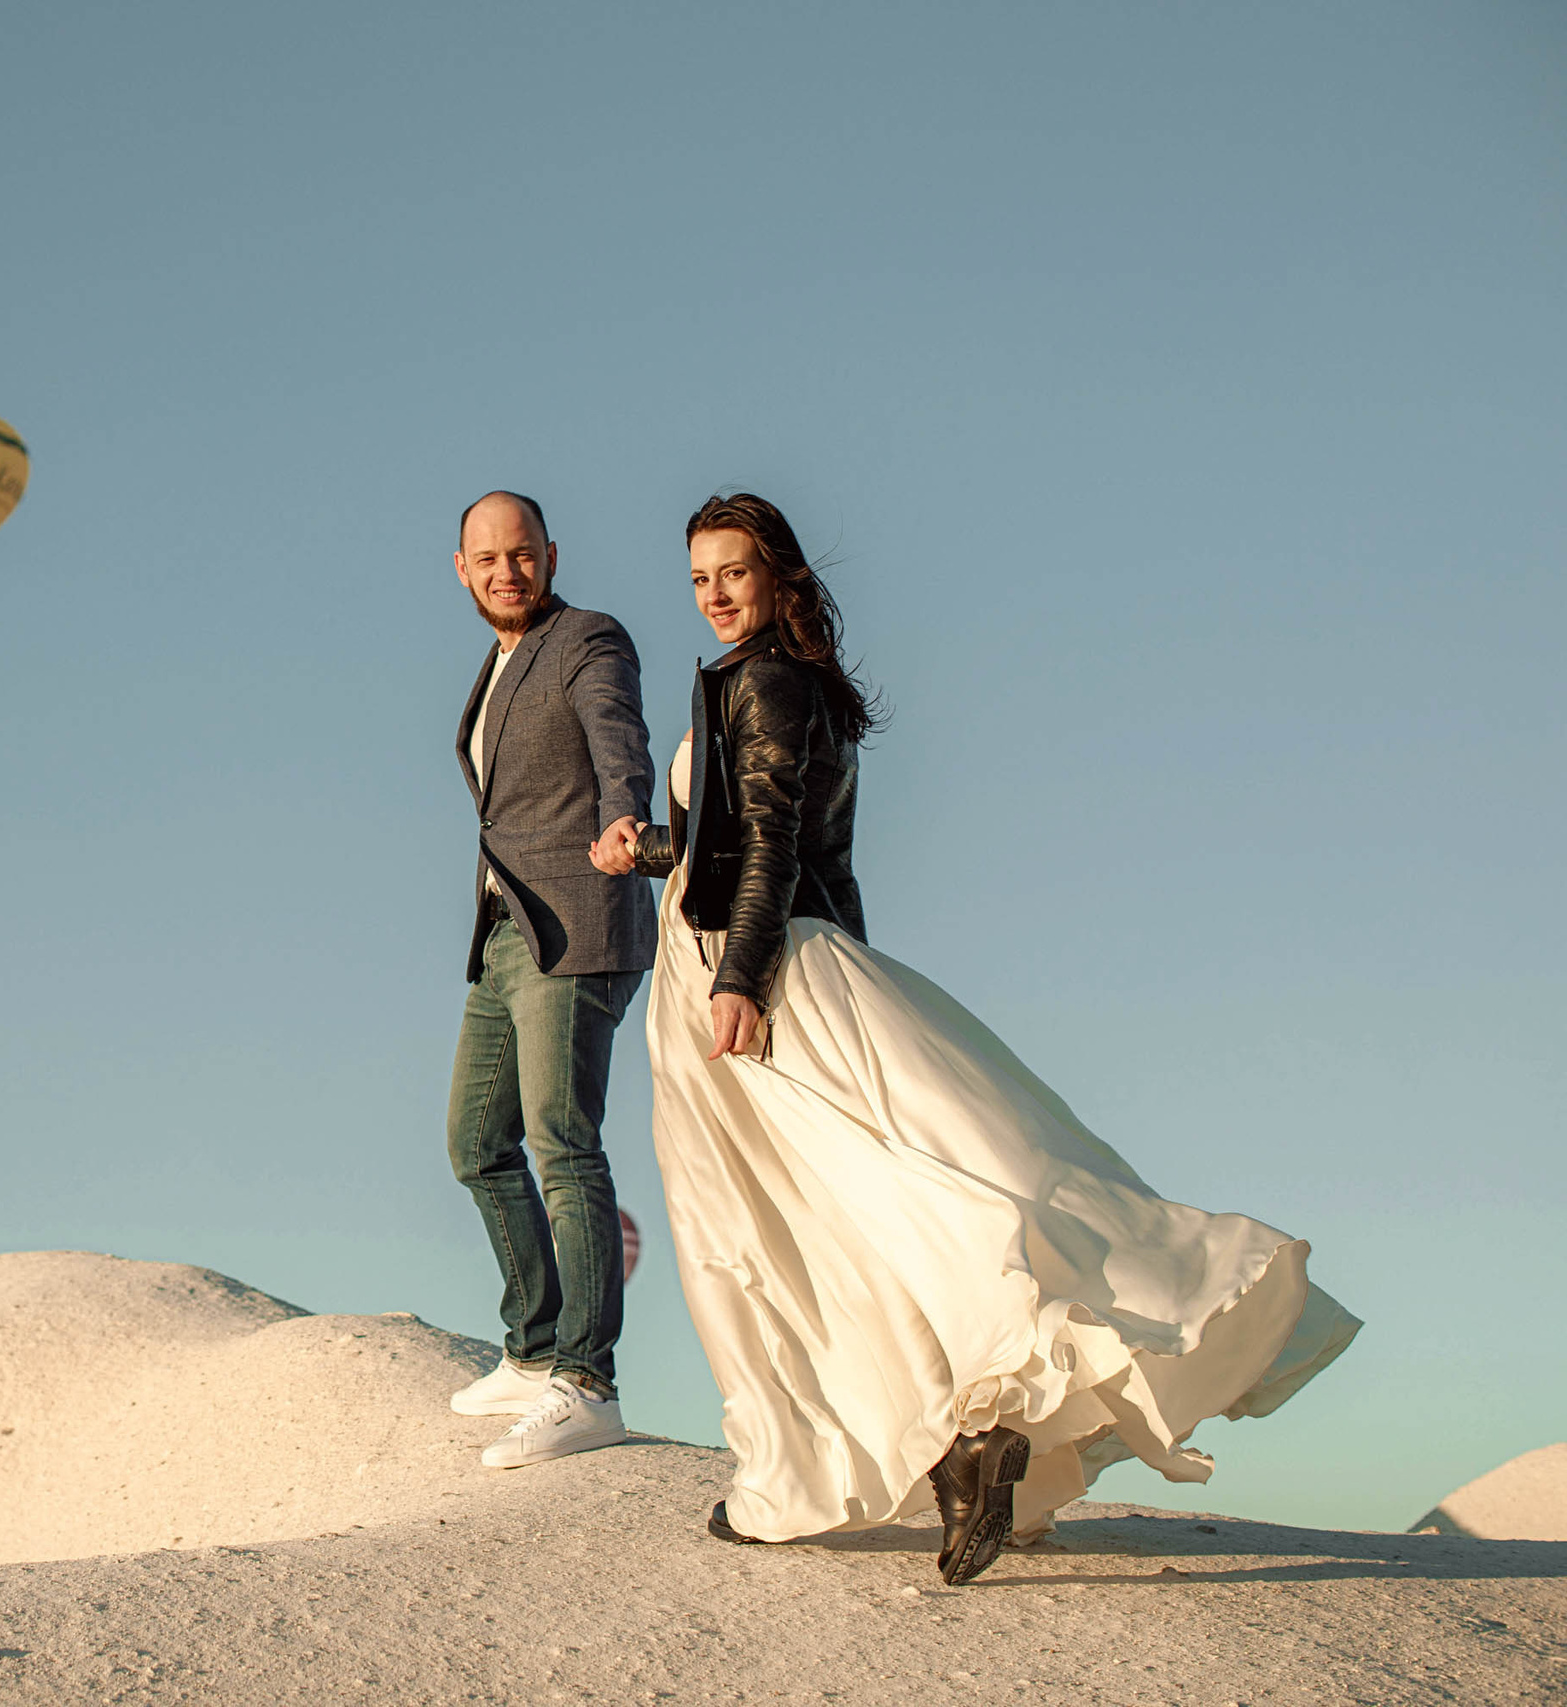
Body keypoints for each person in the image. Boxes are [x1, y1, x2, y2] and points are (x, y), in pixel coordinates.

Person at [592, 492, 1360, 1585]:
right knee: (869, 1201)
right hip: (769, 953)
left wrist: (740, 981)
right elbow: (748, 838)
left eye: (734, 573)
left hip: (739, 969)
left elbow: (766, 844)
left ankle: (854, 1457)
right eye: (698, 580)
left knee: (783, 1229)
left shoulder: (758, 680)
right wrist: (653, 851)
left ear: (779, 579)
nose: (715, 595)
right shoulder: (784, 685)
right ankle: (968, 1438)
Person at [443, 490, 658, 1470]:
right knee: (475, 1141)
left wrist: (625, 814)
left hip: (576, 918)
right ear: (461, 569)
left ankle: (587, 1380)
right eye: (486, 558)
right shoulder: (493, 668)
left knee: (561, 1143)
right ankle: (531, 1350)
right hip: (503, 929)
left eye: (521, 554)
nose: (505, 571)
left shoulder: (586, 640)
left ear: (549, 554)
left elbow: (617, 739)